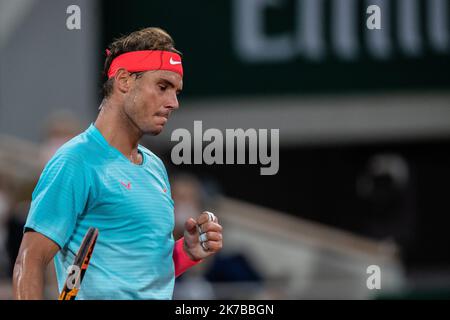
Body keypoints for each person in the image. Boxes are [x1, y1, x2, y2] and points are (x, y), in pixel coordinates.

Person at [12, 27, 223, 300]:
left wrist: (186, 252)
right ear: (124, 80)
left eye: (176, 92)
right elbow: (29, 261)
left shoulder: (155, 169)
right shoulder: (75, 161)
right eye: (162, 87)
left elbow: (143, 275)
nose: (173, 103)